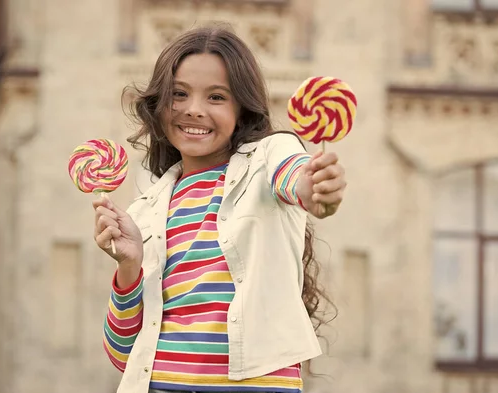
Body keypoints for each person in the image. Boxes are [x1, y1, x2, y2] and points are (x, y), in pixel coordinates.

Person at [94, 26, 347, 393]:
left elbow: (298, 180)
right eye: (179, 94)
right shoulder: (145, 210)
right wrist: (128, 266)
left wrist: (318, 189)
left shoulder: (267, 159)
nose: (193, 110)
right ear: (160, 104)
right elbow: (124, 356)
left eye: (216, 97)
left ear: (241, 109)